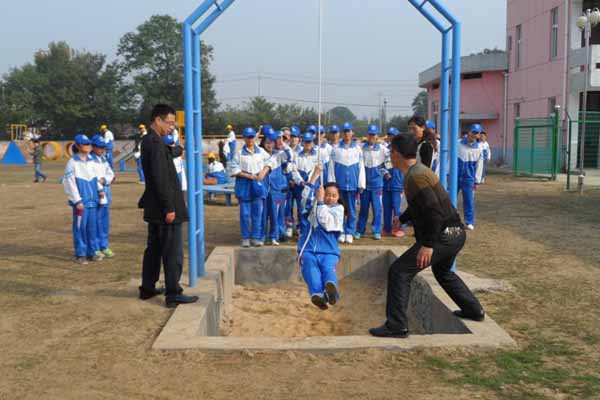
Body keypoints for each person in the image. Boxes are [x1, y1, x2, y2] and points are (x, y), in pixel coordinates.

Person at [369, 133, 485, 338]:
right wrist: (403, 218)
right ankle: (473, 310)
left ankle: (396, 325)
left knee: (399, 271)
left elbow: (433, 211)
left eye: (391, 152)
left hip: (443, 235)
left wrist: (429, 245)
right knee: (443, 272)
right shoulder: (417, 172)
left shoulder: (416, 176)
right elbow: (422, 205)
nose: (389, 156)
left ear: (396, 154)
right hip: (454, 233)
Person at [138, 104, 198, 308]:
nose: (172, 127)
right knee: (172, 252)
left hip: (154, 208)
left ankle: (147, 287)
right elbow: (160, 178)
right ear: (158, 120)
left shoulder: (151, 141)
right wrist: (169, 208)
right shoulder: (154, 144)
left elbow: (168, 152)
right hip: (164, 208)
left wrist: (176, 149)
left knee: (153, 250)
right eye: (170, 123)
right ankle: (173, 293)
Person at [298, 164, 344, 310]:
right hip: (309, 248)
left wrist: (321, 202)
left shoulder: (338, 209)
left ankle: (332, 292)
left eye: (333, 195)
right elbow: (304, 199)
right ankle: (319, 295)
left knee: (328, 269)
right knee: (310, 269)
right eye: (327, 194)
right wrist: (314, 177)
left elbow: (326, 222)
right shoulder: (316, 204)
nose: (330, 198)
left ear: (338, 197)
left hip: (329, 251)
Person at [228, 127, 273, 248]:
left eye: (252, 137)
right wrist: (248, 176)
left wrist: (263, 172)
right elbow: (233, 169)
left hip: (258, 183)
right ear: (243, 138)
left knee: (258, 213)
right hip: (244, 184)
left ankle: (256, 237)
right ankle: (246, 237)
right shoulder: (239, 154)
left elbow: (270, 162)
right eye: (248, 137)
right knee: (245, 214)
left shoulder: (261, 151)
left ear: (255, 137)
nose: (250, 139)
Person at [63, 134, 102, 264]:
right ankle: (81, 253)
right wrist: (77, 200)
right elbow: (69, 183)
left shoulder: (91, 160)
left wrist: (100, 191)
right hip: (81, 202)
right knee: (80, 228)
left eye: (89, 144)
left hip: (93, 201)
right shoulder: (72, 163)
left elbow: (95, 178)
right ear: (78, 146)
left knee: (92, 228)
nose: (88, 146)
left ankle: (92, 252)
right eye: (85, 144)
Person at [328, 122, 366, 244]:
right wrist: (332, 184)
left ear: (352, 132)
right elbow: (331, 167)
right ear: (342, 133)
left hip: (352, 185)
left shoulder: (358, 149)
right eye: (344, 131)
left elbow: (361, 168)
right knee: (338, 209)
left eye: (349, 131)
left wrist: (361, 184)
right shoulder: (336, 148)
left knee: (351, 210)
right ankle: (340, 231)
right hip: (339, 185)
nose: (347, 133)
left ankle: (349, 231)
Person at [356, 124, 387, 240]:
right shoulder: (362, 148)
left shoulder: (383, 149)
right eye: (370, 134)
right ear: (367, 135)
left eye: (374, 135)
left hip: (377, 184)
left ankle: (376, 230)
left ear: (377, 136)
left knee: (377, 209)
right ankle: (360, 230)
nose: (371, 137)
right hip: (365, 184)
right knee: (363, 209)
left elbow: (388, 162)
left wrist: (384, 173)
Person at [90, 135, 115, 259]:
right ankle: (95, 248)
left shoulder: (104, 159)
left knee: (104, 222)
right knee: (94, 222)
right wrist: (99, 184)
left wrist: (104, 180)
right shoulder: (89, 160)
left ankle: (104, 246)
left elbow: (111, 175)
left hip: (106, 192)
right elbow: (91, 177)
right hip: (95, 194)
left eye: (103, 147)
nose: (102, 150)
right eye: (99, 147)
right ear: (93, 147)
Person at [291, 132, 320, 233]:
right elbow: (294, 171)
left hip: (314, 186)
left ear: (313, 143)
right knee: (301, 209)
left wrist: (311, 182)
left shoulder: (318, 155)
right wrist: (301, 182)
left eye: (310, 142)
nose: (308, 144)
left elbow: (319, 170)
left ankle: (313, 230)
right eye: (306, 142)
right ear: (302, 143)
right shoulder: (296, 156)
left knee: (314, 209)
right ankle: (303, 231)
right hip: (301, 187)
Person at [458, 124, 484, 231]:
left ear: (479, 135)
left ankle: (469, 222)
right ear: (469, 132)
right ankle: (449, 220)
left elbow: (479, 166)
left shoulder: (479, 148)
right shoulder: (458, 143)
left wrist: (477, 181)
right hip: (456, 176)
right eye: (473, 132)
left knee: (468, 200)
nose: (474, 135)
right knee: (450, 199)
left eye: (477, 133)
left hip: (468, 179)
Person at [382, 127, 405, 238]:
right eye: (390, 135)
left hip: (398, 184)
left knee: (397, 208)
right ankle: (387, 229)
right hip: (386, 184)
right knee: (386, 207)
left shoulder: (403, 150)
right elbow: (381, 165)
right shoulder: (385, 150)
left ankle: (399, 229)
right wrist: (385, 174)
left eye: (393, 135)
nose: (391, 137)